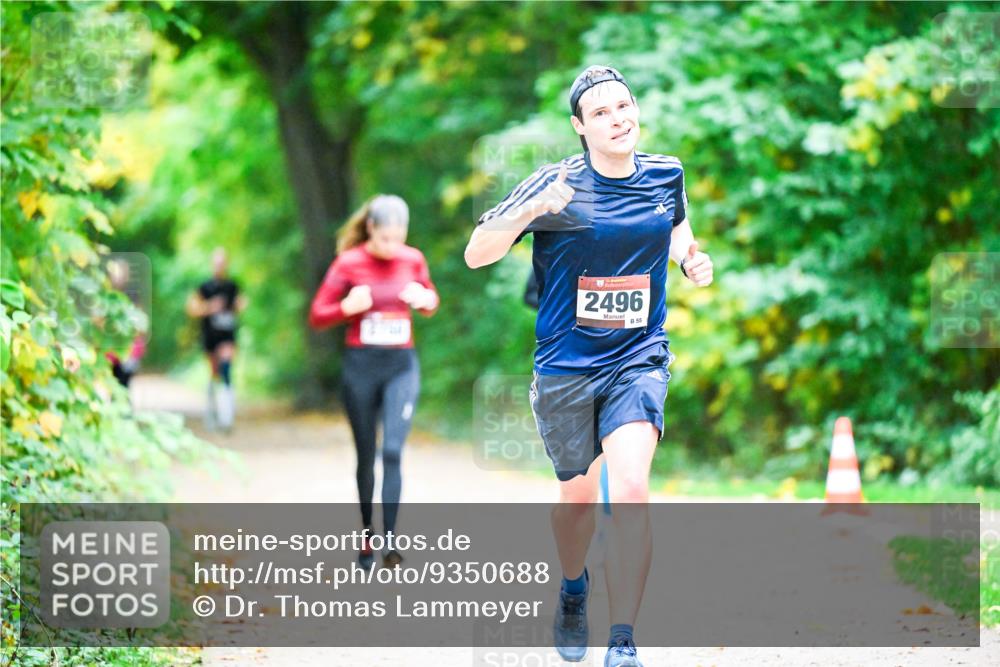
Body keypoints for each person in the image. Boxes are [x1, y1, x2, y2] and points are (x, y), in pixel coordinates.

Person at [465, 66, 713, 667]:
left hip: (638, 356)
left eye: (623, 106)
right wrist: (528, 212)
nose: (616, 118)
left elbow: (674, 226)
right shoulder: (557, 183)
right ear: (580, 127)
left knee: (629, 487)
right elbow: (477, 254)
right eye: (600, 112)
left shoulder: (665, 173)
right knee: (575, 505)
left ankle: (622, 639)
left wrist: (689, 259)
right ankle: (573, 587)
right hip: (566, 367)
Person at [309, 194, 439, 569]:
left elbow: (431, 301)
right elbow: (318, 314)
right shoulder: (349, 262)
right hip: (361, 367)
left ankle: (392, 541)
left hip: (401, 365)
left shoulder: (412, 258)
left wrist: (425, 299)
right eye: (385, 239)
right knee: (366, 455)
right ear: (370, 229)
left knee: (393, 451)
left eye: (398, 239)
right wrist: (345, 308)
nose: (392, 247)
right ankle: (367, 534)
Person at [186, 248, 246, 433]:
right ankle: (212, 413)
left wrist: (236, 307)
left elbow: (242, 304)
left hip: (227, 335)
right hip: (210, 335)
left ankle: (227, 417)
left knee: (226, 369)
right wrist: (209, 308)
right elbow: (191, 309)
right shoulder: (204, 287)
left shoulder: (232, 286)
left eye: (222, 263)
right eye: (216, 263)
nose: (219, 266)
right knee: (214, 374)